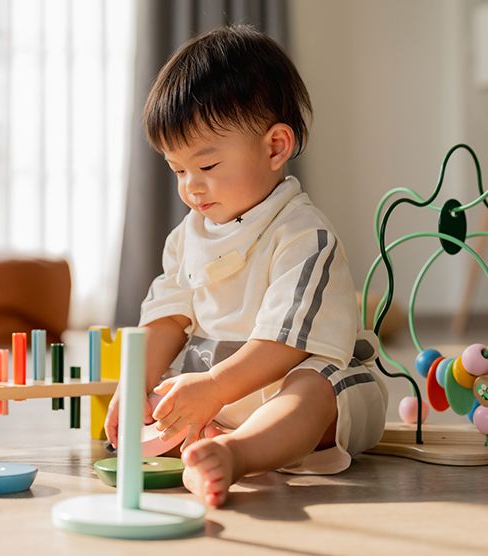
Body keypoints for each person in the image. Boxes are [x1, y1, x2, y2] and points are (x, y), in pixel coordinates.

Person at [104, 24, 387, 508]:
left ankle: (237, 453)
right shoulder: (185, 237)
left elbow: (284, 343)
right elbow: (167, 318)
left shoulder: (302, 235)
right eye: (178, 170)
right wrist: (134, 385)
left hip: (292, 382)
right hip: (219, 391)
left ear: (276, 147)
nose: (191, 187)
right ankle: (210, 436)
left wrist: (215, 387)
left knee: (315, 387)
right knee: (169, 379)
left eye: (207, 167)